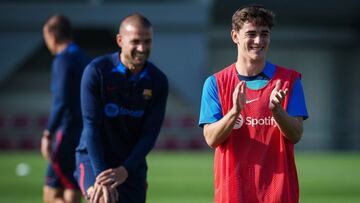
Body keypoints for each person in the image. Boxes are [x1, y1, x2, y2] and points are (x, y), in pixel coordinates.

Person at [199, 5, 308, 203]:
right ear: (235, 36)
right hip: (233, 194)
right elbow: (211, 139)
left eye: (264, 34)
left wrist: (278, 113)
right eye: (251, 33)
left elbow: (296, 134)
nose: (258, 41)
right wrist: (234, 112)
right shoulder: (215, 83)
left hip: (279, 195)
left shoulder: (289, 81)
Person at [74, 14, 168, 203]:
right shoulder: (97, 72)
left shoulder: (158, 81)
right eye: (135, 41)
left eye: (147, 41)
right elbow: (91, 128)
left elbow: (149, 134)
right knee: (103, 199)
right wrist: (102, 176)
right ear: (120, 40)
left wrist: (126, 170)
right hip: (94, 160)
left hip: (131, 165)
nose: (142, 48)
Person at [41, 15, 91, 203]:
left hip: (67, 131)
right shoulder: (85, 59)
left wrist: (48, 133)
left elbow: (61, 100)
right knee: (72, 187)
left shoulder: (62, 60)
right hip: (84, 133)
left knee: (50, 194)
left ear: (52, 36)